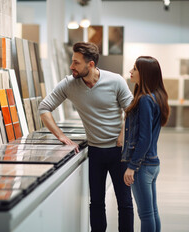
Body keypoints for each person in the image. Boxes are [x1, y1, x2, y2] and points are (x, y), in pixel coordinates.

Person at [38, 42, 134, 232]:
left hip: (119, 152)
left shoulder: (116, 81)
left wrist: (123, 134)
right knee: (96, 202)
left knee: (124, 202)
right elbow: (44, 108)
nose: (71, 66)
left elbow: (131, 111)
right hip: (95, 152)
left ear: (90, 64)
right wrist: (61, 136)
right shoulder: (69, 84)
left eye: (76, 63)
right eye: (72, 62)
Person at [122, 56, 169, 232]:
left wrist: (132, 166)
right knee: (152, 212)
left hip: (142, 165)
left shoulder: (144, 100)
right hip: (152, 162)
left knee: (146, 214)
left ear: (145, 73)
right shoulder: (157, 97)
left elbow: (144, 138)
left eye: (134, 68)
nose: (131, 71)